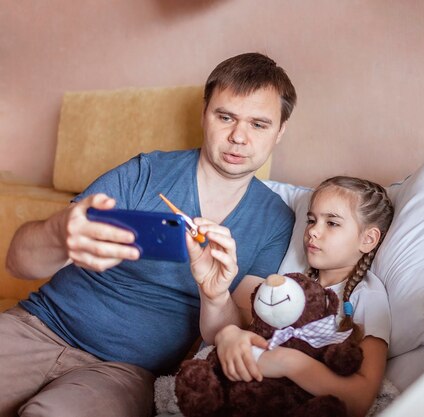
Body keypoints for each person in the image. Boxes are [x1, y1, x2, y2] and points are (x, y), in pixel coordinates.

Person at [0, 52, 296, 417]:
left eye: (259, 124)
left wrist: (215, 295)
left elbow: (229, 336)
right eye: (226, 117)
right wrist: (58, 232)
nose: (238, 137)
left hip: (122, 375)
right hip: (37, 327)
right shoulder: (144, 172)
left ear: (280, 131)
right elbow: (17, 260)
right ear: (205, 114)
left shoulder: (277, 219)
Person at [202, 176, 394, 417]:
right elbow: (246, 329)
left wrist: (287, 362)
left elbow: (359, 399)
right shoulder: (289, 284)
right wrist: (229, 334)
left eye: (332, 223)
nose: (313, 231)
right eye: (311, 220)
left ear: (368, 239)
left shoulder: (367, 296)